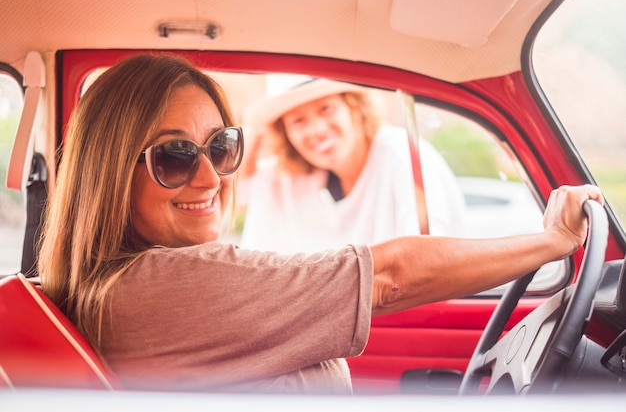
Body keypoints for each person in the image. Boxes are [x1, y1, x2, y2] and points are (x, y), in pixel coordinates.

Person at [38, 53, 604, 395]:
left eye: (221, 147)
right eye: (174, 157)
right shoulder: (164, 285)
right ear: (109, 174)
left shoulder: (119, 283)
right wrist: (552, 240)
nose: (210, 179)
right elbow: (390, 278)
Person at [238, 77, 467, 253]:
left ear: (354, 108)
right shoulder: (293, 179)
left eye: (326, 108)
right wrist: (259, 128)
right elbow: (234, 188)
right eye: (298, 121)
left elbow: (431, 253)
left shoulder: (401, 155)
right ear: (286, 135)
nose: (316, 129)